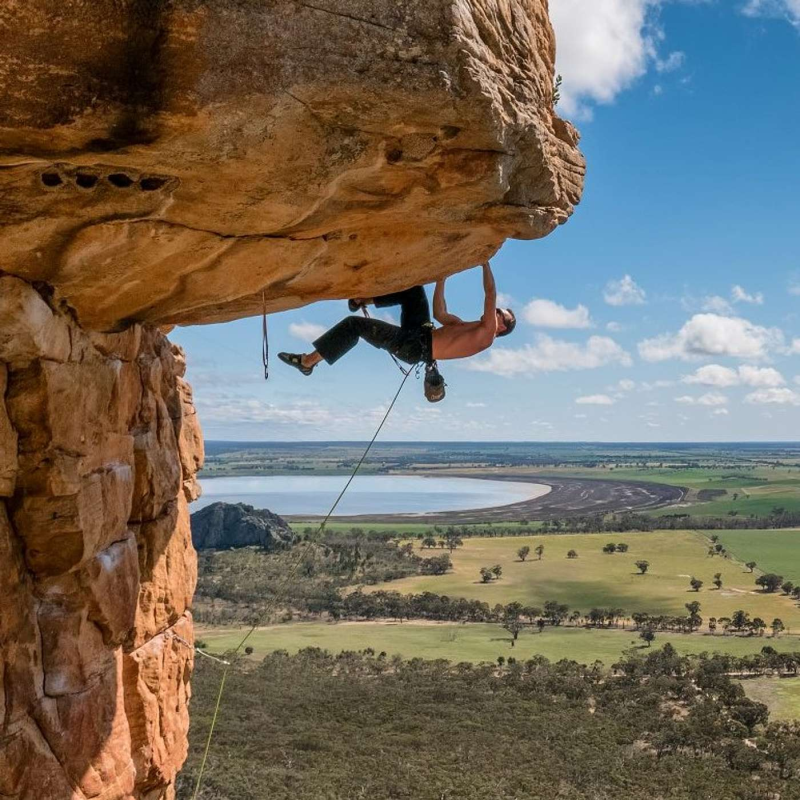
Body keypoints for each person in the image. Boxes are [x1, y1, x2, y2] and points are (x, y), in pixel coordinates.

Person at [278, 262, 515, 386]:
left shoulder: (486, 336)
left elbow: (490, 292)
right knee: (414, 291)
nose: (494, 311)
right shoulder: (466, 326)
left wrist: (485, 263)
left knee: (354, 325)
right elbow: (439, 312)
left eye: (499, 314)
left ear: (501, 327)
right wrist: (442, 277)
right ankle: (362, 299)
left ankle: (309, 361)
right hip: (420, 332)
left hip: (411, 347)